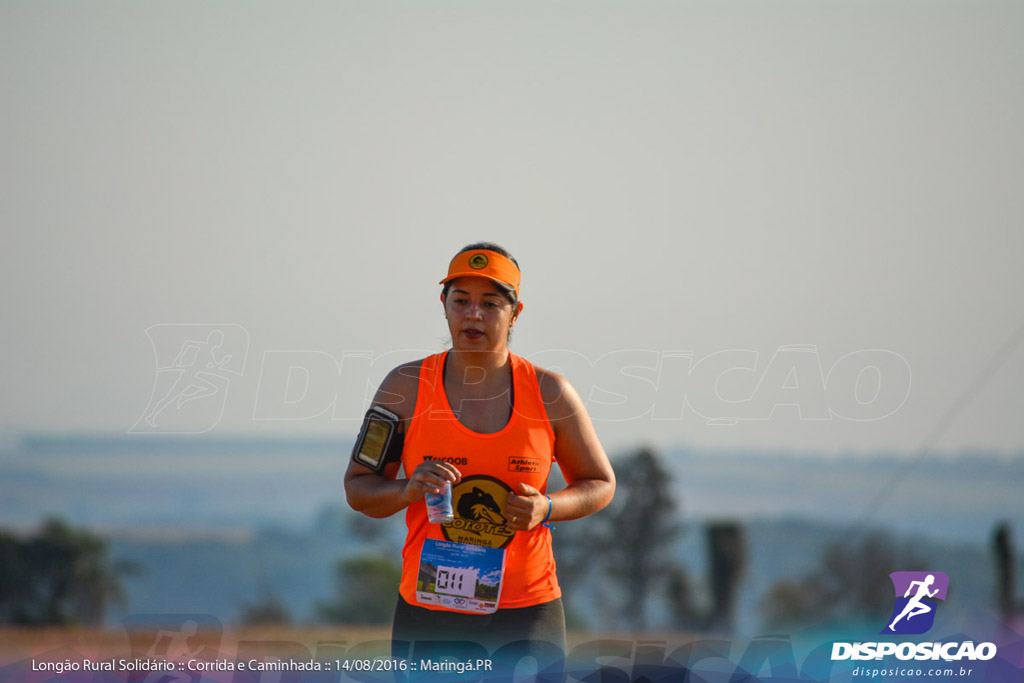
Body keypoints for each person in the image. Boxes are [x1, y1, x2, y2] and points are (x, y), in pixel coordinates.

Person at [344, 242, 615, 667]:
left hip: (526, 612)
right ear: (444, 305)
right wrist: (407, 490)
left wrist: (545, 508)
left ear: (516, 313)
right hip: (431, 610)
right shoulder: (405, 387)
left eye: (490, 303)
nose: (473, 314)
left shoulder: (551, 393)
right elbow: (359, 490)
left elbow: (600, 484)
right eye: (461, 301)